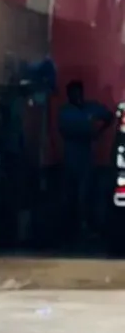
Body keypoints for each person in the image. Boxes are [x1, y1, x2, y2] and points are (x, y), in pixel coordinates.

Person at [58, 79, 114, 242]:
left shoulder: (91, 108)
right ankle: (71, 230)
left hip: (86, 160)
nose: (76, 96)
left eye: (77, 93)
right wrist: (89, 132)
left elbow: (109, 116)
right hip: (71, 159)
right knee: (71, 195)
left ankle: (85, 227)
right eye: (72, 94)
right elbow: (66, 131)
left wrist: (99, 131)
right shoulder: (66, 112)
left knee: (85, 194)